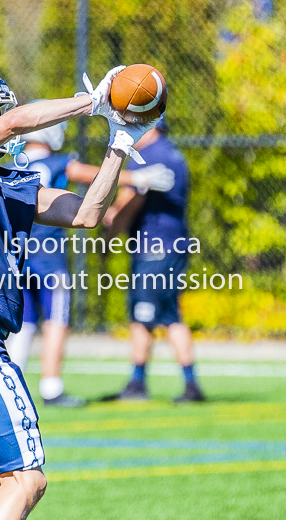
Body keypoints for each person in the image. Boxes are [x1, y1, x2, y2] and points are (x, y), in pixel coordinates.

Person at [0, 58, 159, 520]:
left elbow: (87, 213)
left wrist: (120, 142)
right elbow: (17, 120)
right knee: (28, 480)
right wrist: (94, 100)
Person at [7, 119, 174, 407]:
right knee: (56, 320)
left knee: (24, 322)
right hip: (48, 257)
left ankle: (8, 384)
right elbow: (91, 175)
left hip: (16, 255)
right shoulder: (58, 161)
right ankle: (51, 388)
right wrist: (137, 178)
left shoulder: (9, 169)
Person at [104, 119, 205, 403]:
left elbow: (128, 202)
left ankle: (147, 384)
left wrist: (109, 228)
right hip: (171, 244)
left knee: (148, 314)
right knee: (164, 313)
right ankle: (181, 383)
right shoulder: (171, 152)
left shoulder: (149, 155)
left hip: (155, 248)